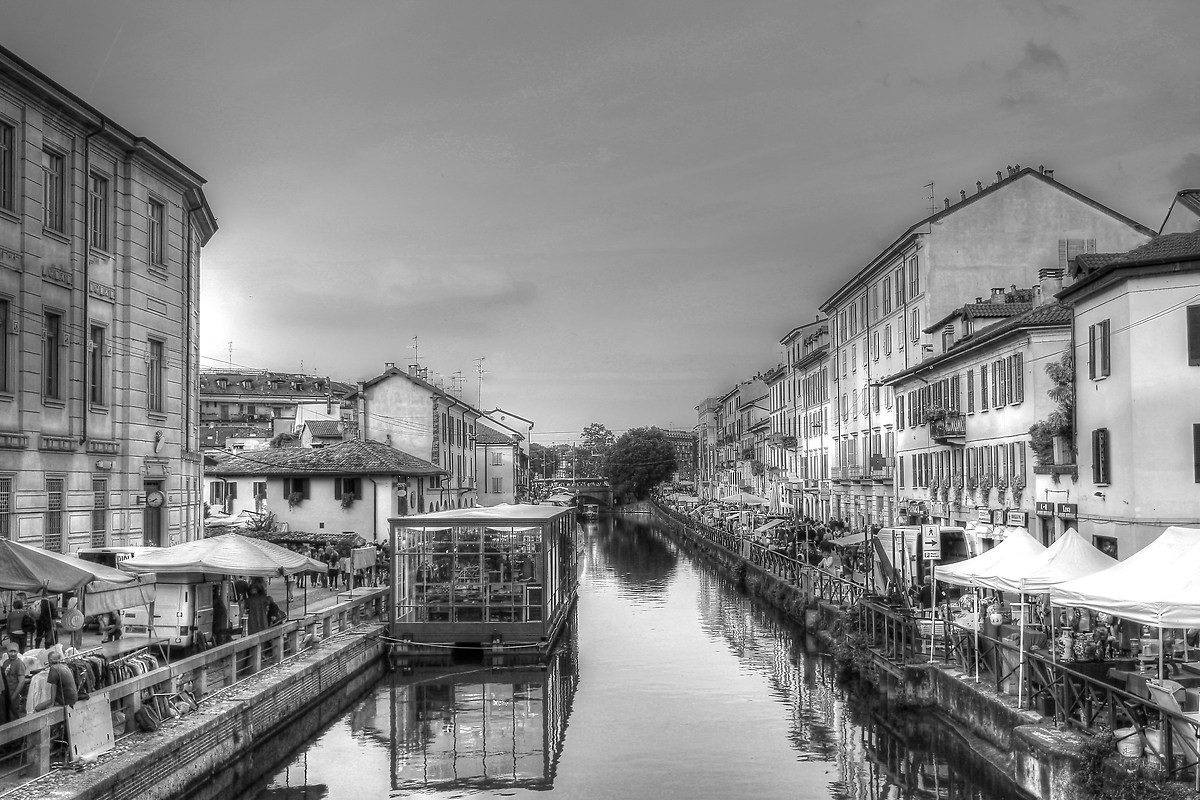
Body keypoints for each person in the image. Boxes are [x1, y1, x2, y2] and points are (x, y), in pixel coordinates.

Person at [1, 644, 27, 722]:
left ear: (18, 652)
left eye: (14, 651)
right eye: (10, 651)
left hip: (14, 695)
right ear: (7, 652)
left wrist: (13, 697)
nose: (12, 654)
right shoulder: (6, 662)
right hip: (6, 694)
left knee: (14, 717)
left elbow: (21, 682)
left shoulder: (19, 664)